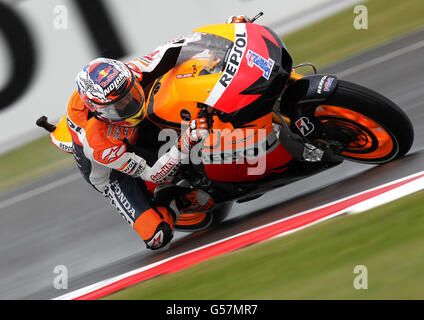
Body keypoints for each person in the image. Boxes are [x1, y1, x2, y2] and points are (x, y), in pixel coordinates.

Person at [66, 15, 249, 250]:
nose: (128, 105)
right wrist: (186, 142)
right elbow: (152, 173)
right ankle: (176, 198)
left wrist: (227, 32)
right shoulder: (98, 142)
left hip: (131, 130)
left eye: (130, 94)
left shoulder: (130, 73)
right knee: (156, 237)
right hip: (115, 169)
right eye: (117, 107)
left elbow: (178, 47)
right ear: (99, 111)